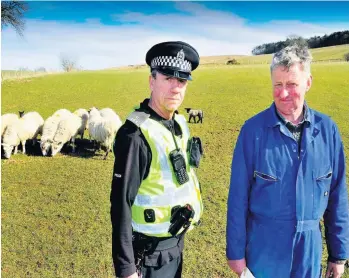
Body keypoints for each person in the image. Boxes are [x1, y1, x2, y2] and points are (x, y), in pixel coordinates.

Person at [226, 44, 349, 278]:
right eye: (278, 85)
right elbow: (237, 198)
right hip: (264, 252)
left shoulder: (328, 131)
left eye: (292, 85)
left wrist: (338, 254)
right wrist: (235, 255)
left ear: (308, 82)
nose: (283, 94)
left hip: (309, 252)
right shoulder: (253, 131)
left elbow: (337, 196)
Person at [110, 41, 204, 278]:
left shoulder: (179, 123)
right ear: (152, 81)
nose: (175, 88)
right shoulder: (135, 135)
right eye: (168, 79)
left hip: (175, 245)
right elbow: (121, 204)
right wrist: (126, 269)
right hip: (148, 256)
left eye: (181, 81)